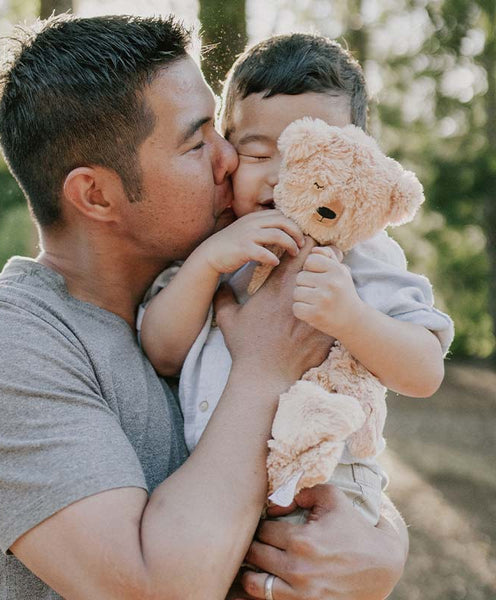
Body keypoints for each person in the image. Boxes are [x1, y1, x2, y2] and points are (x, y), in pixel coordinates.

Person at [0, 16, 409, 600]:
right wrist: (267, 365)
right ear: (95, 194)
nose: (232, 159)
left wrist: (382, 545)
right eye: (198, 142)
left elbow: (313, 459)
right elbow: (156, 587)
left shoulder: (225, 294)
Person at [139, 32, 454, 532]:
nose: (283, 180)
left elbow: (423, 372)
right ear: (227, 151)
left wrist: (351, 318)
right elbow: (162, 351)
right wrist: (204, 267)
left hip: (326, 485)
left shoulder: (362, 254)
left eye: (314, 159)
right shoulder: (216, 246)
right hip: (211, 476)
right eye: (259, 155)